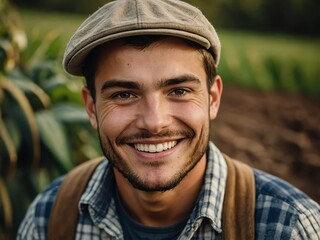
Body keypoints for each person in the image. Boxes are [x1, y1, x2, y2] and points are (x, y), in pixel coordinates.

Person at [17, 0, 320, 239]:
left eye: (178, 90)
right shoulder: (51, 218)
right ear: (92, 108)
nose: (154, 122)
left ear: (213, 98)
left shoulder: (290, 227)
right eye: (124, 94)